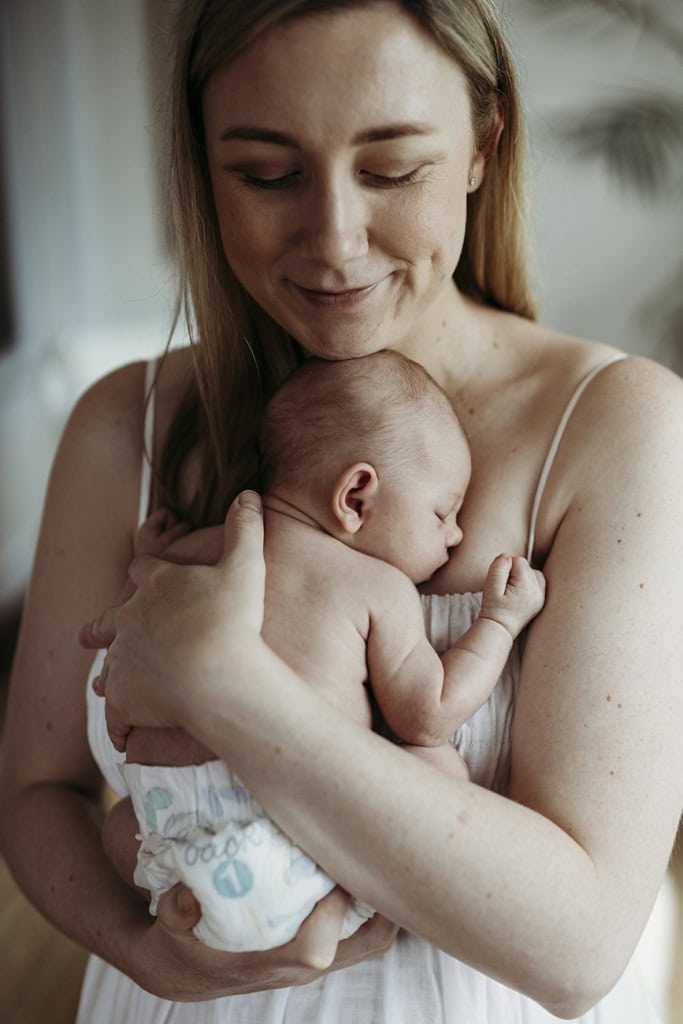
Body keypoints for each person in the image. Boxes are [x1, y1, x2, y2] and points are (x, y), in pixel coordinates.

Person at [1, 0, 681, 1021]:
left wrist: (226, 688)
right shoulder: (122, 425)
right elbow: (33, 795)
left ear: (480, 148)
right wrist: (144, 952)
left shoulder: (615, 425)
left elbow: (577, 946)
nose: (333, 241)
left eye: (391, 168)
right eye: (265, 172)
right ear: (198, 164)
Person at [103, 350, 545, 954]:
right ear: (356, 497)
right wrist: (499, 621)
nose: (456, 535)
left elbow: (140, 595)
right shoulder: (378, 587)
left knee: (114, 826)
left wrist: (148, 548)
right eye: (443, 512)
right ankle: (315, 907)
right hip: (292, 830)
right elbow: (429, 712)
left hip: (166, 819)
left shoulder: (203, 549)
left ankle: (191, 902)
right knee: (437, 767)